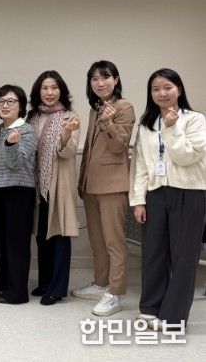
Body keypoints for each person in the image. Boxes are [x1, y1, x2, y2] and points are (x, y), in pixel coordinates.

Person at [130, 68, 206, 330]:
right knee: (153, 253)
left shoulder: (195, 120)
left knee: (184, 257)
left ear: (179, 90)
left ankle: (174, 317)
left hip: (189, 193)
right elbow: (140, 165)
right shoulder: (147, 124)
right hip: (155, 193)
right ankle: (150, 308)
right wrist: (138, 201)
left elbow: (187, 157)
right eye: (156, 89)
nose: (162, 93)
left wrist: (172, 129)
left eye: (168, 87)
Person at [73, 61, 135, 316]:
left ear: (116, 80)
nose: (100, 83)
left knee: (114, 241)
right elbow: (88, 149)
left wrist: (108, 122)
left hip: (112, 185)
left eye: (105, 77)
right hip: (91, 185)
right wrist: (82, 181)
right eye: (95, 79)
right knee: (97, 240)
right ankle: (100, 284)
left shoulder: (124, 107)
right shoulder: (95, 108)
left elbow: (119, 146)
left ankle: (115, 293)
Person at [27, 70, 80, 306]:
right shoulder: (32, 117)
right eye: (45, 88)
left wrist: (66, 135)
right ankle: (45, 282)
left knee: (59, 235)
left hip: (59, 184)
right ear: (38, 92)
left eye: (54, 88)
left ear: (62, 91)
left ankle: (57, 289)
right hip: (37, 186)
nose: (50, 92)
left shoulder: (70, 117)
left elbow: (69, 152)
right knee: (42, 236)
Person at [0, 85, 37, 305]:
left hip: (20, 191)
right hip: (0, 190)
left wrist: (11, 144)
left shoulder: (26, 130)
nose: (5, 105)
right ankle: (6, 285)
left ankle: (18, 293)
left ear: (21, 106)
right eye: (1, 102)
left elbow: (15, 163)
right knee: (2, 241)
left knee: (17, 243)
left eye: (11, 101)